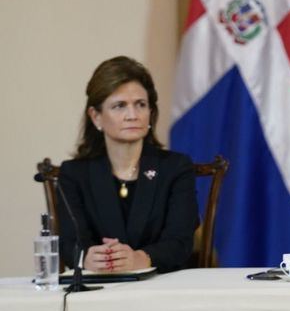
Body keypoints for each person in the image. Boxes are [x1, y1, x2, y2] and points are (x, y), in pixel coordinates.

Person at [57, 56, 199, 273]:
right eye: (119, 106)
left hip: (163, 288)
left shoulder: (176, 168)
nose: (132, 115)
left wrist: (139, 259)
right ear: (96, 117)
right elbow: (69, 243)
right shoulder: (74, 174)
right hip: (100, 291)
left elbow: (181, 243)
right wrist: (86, 258)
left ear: (150, 113)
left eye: (141, 105)